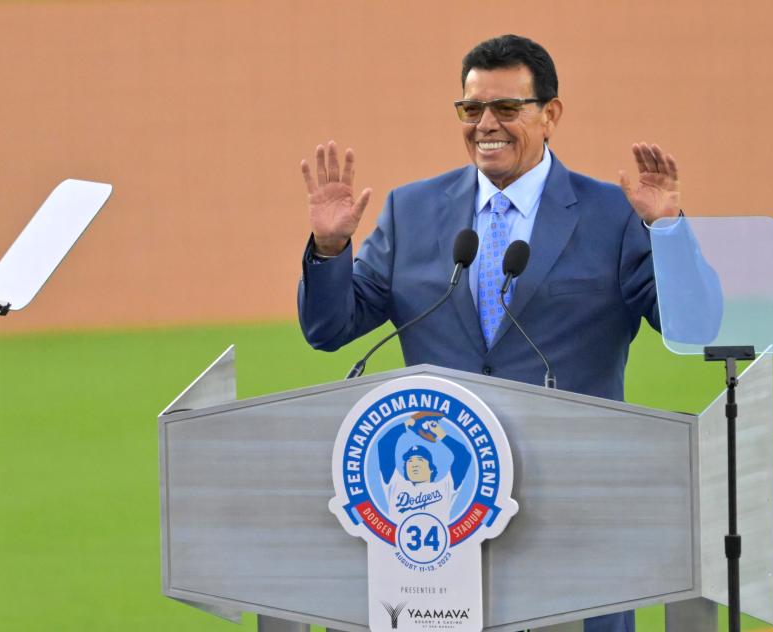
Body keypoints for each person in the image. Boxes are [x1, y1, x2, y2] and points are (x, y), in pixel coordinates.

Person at [298, 34, 714, 632]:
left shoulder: (612, 214)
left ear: (551, 114)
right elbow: (330, 327)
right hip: (442, 517)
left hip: (576, 517)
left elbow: (693, 327)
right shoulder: (411, 210)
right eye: (472, 110)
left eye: (506, 109)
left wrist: (669, 231)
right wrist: (331, 248)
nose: (485, 124)